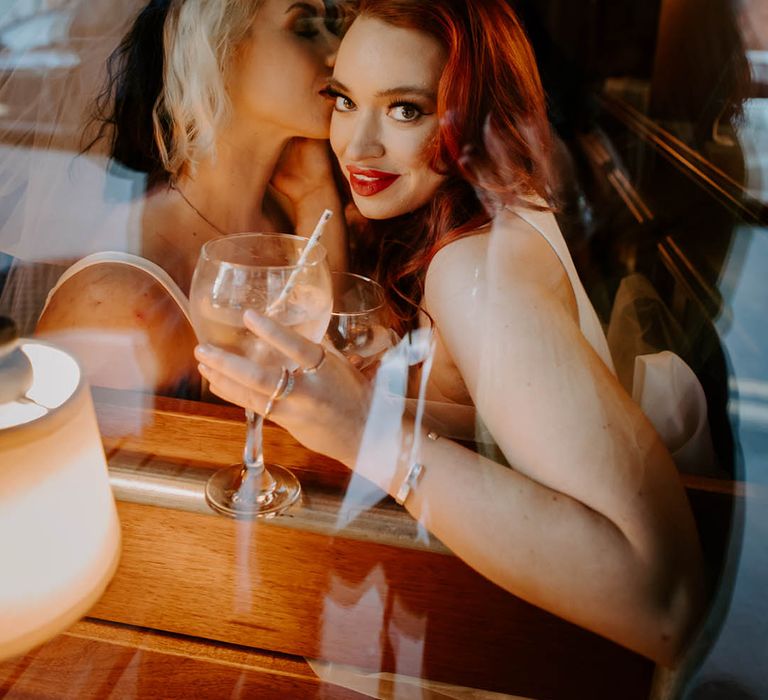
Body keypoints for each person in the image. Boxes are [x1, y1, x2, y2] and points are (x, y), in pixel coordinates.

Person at [194, 0, 706, 664]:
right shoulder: (464, 214)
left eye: (406, 109)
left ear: (477, 120)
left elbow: (666, 602)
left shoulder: (472, 273)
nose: (358, 144)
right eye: (344, 101)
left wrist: (362, 432)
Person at [24, 0, 348, 395]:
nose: (340, 53)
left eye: (337, 27)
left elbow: (338, 385)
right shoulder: (116, 299)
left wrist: (317, 197)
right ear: (219, 50)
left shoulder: (302, 215)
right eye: (305, 27)